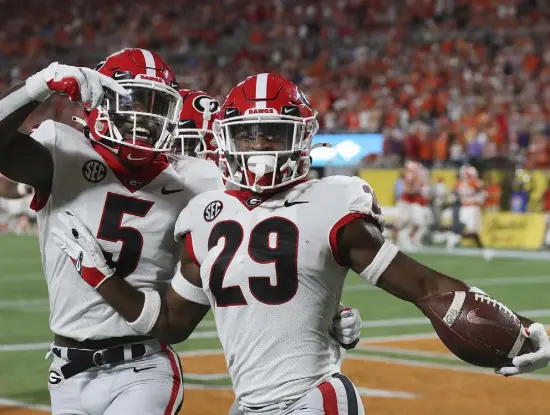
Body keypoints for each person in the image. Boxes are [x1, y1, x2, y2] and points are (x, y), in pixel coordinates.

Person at [51, 73, 550, 414]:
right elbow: (171, 324)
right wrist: (100, 276)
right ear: (224, 141)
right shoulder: (205, 215)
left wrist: (522, 329)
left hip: (314, 397)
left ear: (303, 138)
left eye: (273, 135)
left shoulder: (334, 203)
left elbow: (424, 285)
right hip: (248, 403)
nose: (261, 149)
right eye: (249, 136)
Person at [0, 48, 210, 415]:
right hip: (68, 369)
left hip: (143, 367)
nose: (142, 118)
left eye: (154, 105)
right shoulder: (63, 151)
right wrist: (38, 86)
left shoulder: (191, 180)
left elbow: (258, 242)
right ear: (97, 99)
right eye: (130, 101)